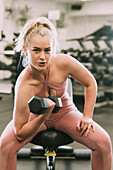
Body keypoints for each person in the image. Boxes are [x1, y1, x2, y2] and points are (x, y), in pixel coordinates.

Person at [0, 17, 112, 170]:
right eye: (36, 50)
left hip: (66, 113)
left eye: (47, 50)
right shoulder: (24, 84)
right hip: (35, 118)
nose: (42, 57)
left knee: (103, 143)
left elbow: (90, 83)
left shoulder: (64, 63)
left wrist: (87, 116)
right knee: (4, 148)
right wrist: (44, 115)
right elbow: (19, 133)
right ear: (26, 50)